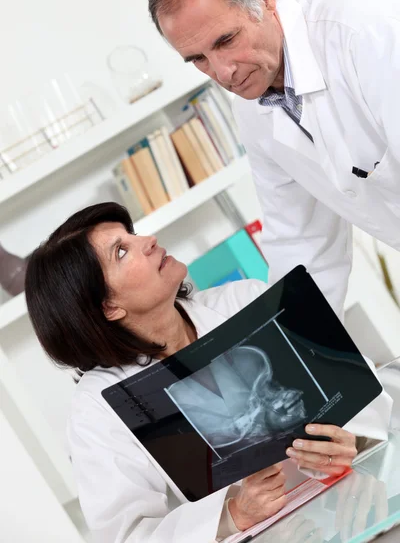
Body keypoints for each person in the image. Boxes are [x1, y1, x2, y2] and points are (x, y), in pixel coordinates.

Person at [25, 202, 392, 543]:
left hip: (354, 505)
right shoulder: (96, 407)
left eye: (133, 233)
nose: (149, 240)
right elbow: (129, 534)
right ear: (108, 307)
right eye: (121, 251)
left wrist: (354, 440)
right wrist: (232, 514)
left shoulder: (246, 300)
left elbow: (358, 388)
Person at [148, 0, 400, 317]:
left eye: (226, 40)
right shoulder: (253, 112)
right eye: (198, 58)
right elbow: (302, 246)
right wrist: (295, 354)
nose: (222, 72)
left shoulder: (364, 33)